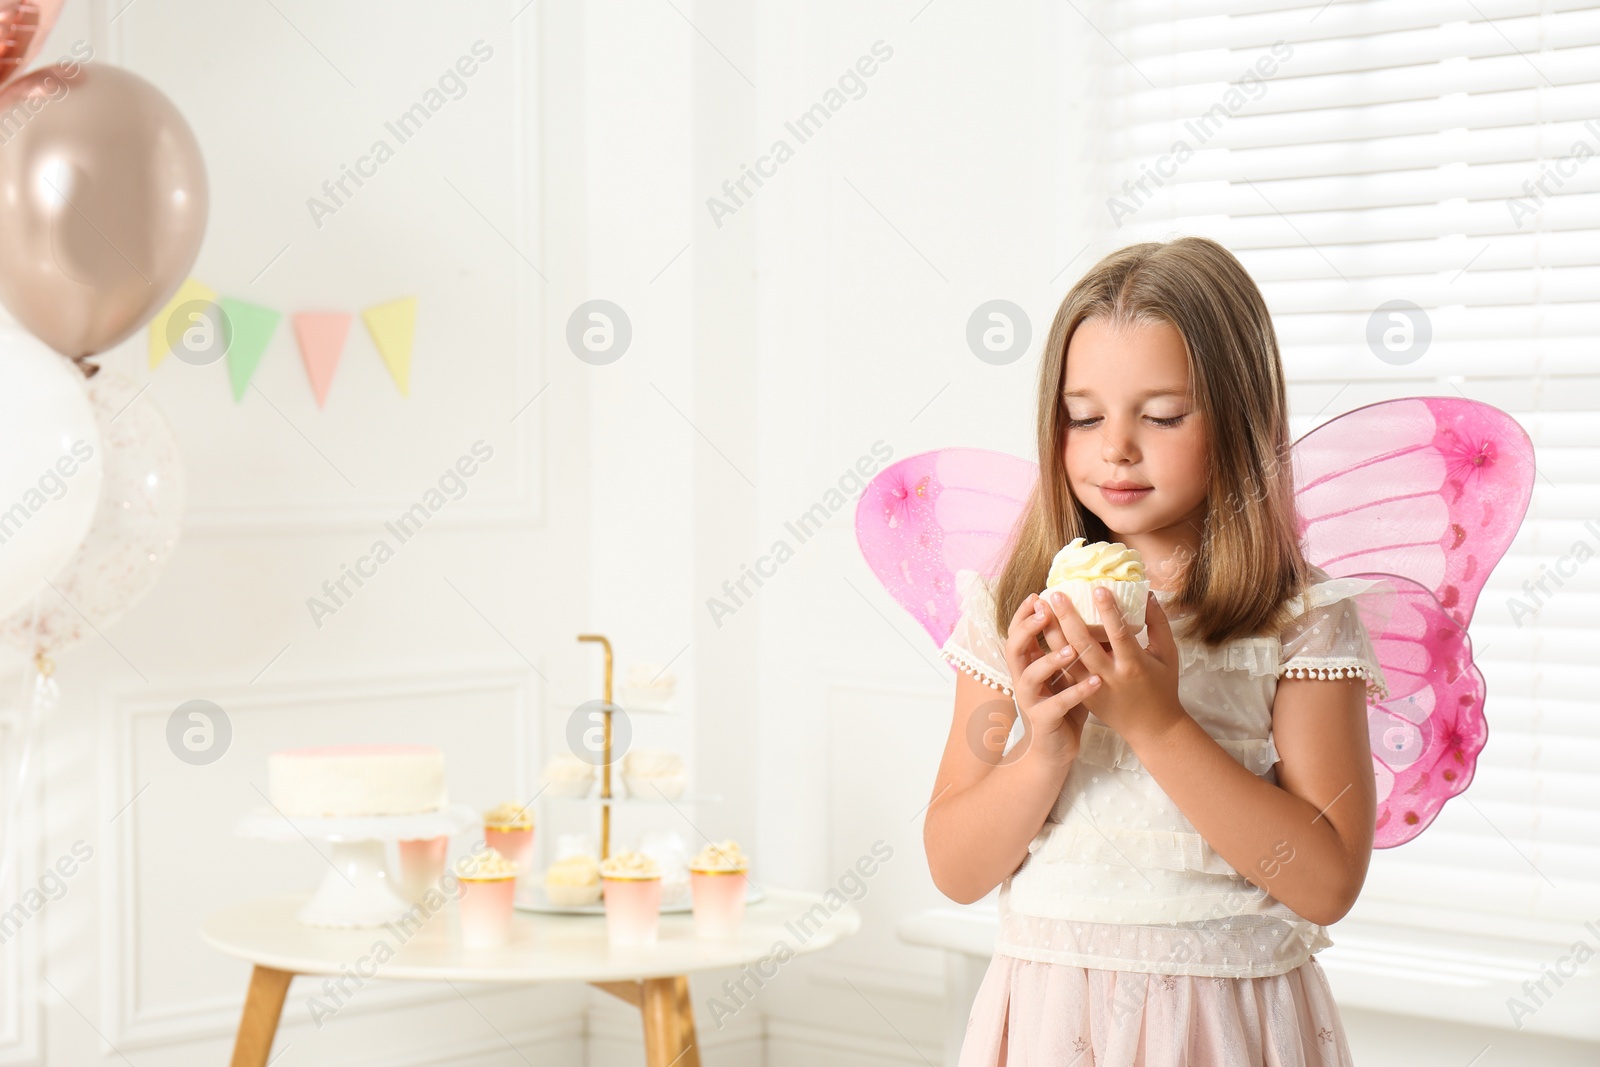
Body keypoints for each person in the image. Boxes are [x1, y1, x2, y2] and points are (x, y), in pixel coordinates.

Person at [928, 236, 1387, 1066]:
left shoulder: (1297, 620)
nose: (1116, 448)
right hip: (1052, 1017)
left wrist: (1157, 724)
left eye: (1163, 415)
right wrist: (1045, 749)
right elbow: (956, 869)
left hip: (1225, 1021)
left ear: (1239, 419)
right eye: (1084, 415)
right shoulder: (1015, 612)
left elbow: (1326, 881)